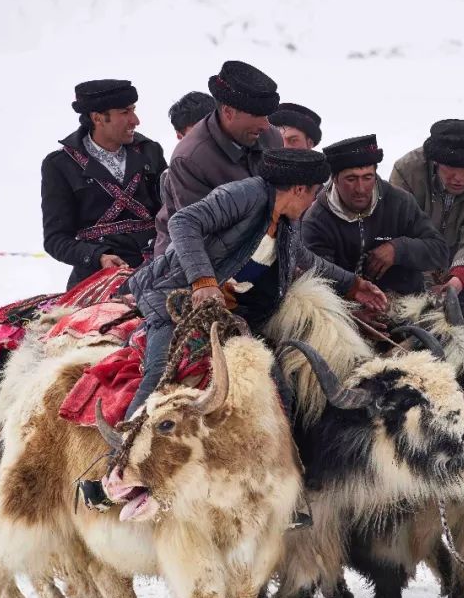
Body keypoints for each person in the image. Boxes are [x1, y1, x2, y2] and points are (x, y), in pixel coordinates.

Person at [124, 149, 387, 420]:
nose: (312, 202)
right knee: (159, 374)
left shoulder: (288, 221)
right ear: (299, 189)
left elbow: (303, 257)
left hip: (229, 315)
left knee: (277, 387)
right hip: (175, 298)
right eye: (313, 193)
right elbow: (184, 221)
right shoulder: (245, 195)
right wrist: (203, 281)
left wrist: (353, 285)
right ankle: (121, 452)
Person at [42, 79, 166, 289]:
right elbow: (55, 239)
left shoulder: (150, 151)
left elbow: (171, 210)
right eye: (125, 112)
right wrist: (98, 256)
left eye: (133, 110)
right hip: (97, 279)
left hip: (157, 269)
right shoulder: (60, 165)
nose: (135, 120)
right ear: (98, 117)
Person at [153, 60, 284, 257]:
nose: (266, 125)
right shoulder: (189, 159)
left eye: (267, 116)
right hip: (194, 256)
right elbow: (197, 233)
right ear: (228, 113)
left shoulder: (270, 137)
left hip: (260, 247)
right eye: (258, 115)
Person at [302, 135, 448, 297]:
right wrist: (353, 311)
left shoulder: (400, 203)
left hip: (406, 305)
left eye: (367, 177)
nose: (361, 189)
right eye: (351, 179)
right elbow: (318, 280)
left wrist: (398, 249)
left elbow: (439, 250)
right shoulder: (317, 220)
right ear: (335, 179)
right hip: (344, 310)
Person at [389, 119, 464, 300]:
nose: (459, 178)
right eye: (451, 168)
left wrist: (458, 279)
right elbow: (400, 232)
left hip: (462, 267)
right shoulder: (406, 172)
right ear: (436, 162)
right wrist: (427, 282)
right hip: (411, 267)